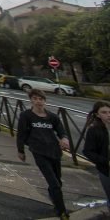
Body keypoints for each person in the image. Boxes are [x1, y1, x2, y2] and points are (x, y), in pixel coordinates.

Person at [16, 88, 71, 219]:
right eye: (35, 99)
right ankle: (62, 212)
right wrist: (20, 150)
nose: (38, 102)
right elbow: (21, 134)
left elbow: (61, 131)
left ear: (45, 101)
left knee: (57, 182)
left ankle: (54, 198)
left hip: (54, 152)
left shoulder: (52, 117)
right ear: (31, 100)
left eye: (40, 99)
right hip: (39, 152)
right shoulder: (26, 116)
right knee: (55, 184)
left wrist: (64, 138)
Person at [82, 100, 110, 207]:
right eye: (104, 112)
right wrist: (106, 162)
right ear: (97, 114)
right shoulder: (94, 130)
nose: (108, 115)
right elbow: (88, 151)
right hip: (106, 171)